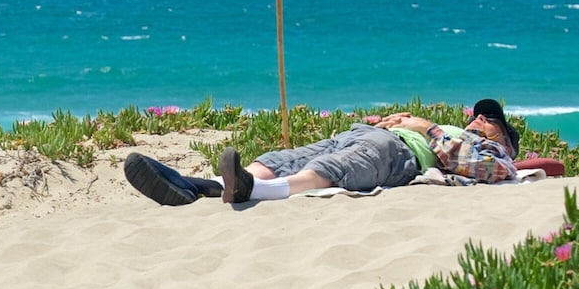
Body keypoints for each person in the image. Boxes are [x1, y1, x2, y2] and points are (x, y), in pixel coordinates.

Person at [125, 98, 521, 206]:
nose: (481, 118)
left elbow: (489, 170)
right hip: (368, 135)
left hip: (398, 153)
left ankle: (253, 191)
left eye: (492, 121)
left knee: (334, 167)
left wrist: (424, 128)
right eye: (480, 115)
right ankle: (197, 186)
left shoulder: (494, 152)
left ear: (504, 140)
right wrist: (390, 120)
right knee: (284, 158)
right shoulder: (457, 129)